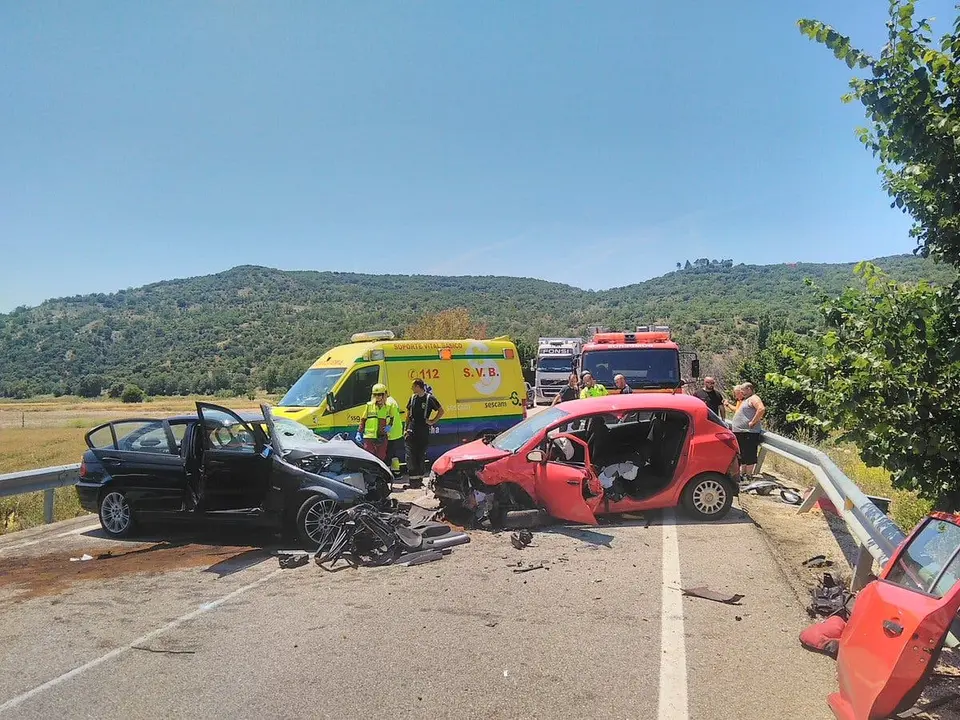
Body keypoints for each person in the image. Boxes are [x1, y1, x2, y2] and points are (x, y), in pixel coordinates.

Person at [405, 379, 444, 488]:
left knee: (420, 454)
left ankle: (419, 481)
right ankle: (413, 482)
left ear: (418, 387)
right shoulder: (412, 398)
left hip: (423, 429)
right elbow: (408, 414)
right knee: (410, 455)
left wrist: (432, 421)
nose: (412, 389)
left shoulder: (429, 398)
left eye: (413, 386)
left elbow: (441, 411)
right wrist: (406, 428)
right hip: (412, 429)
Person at [356, 383, 403, 470]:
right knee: (370, 457)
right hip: (370, 436)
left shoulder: (388, 406)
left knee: (382, 457)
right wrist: (359, 432)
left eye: (379, 395)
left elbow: (392, 418)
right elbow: (363, 419)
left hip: (382, 436)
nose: (377, 397)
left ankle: (382, 473)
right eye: (375, 395)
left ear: (384, 395)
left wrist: (389, 427)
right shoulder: (369, 406)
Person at [731, 382, 766, 480]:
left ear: (749, 389)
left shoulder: (754, 398)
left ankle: (748, 475)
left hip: (749, 432)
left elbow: (761, 409)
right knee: (742, 454)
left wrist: (753, 422)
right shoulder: (746, 400)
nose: (741, 392)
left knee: (749, 454)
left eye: (743, 390)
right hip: (741, 432)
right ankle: (743, 474)